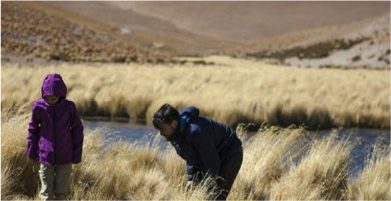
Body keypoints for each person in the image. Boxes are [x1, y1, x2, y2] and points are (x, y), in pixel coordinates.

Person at [153, 104, 243, 200]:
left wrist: (207, 185)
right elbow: (192, 158)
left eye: (162, 128)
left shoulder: (195, 132)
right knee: (201, 192)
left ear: (173, 123)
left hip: (231, 152)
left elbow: (213, 163)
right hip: (214, 156)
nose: (160, 133)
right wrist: (192, 179)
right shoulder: (175, 136)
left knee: (215, 196)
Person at [27, 73, 84, 200]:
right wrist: (32, 150)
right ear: (43, 95)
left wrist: (76, 154)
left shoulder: (69, 107)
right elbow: (33, 129)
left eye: (54, 98)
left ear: (61, 95)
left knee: (61, 194)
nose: (51, 101)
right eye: (48, 98)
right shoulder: (38, 107)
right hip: (45, 156)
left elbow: (77, 130)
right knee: (46, 193)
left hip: (65, 157)